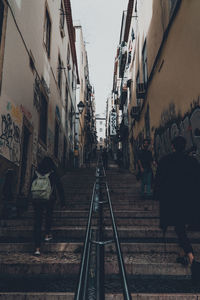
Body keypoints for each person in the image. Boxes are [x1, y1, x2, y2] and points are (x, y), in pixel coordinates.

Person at [154, 136, 200, 284]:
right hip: (190, 202)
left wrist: (158, 196)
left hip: (174, 202)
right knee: (182, 228)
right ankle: (183, 254)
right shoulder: (193, 162)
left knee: (179, 228)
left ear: (173, 146)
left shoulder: (165, 161)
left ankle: (192, 259)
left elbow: (159, 182)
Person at [31, 156, 65, 256]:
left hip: (37, 199)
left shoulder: (36, 172)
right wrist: (63, 201)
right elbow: (59, 187)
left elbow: (31, 185)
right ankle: (47, 234)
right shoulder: (53, 173)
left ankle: (37, 249)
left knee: (37, 221)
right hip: (49, 199)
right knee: (48, 215)